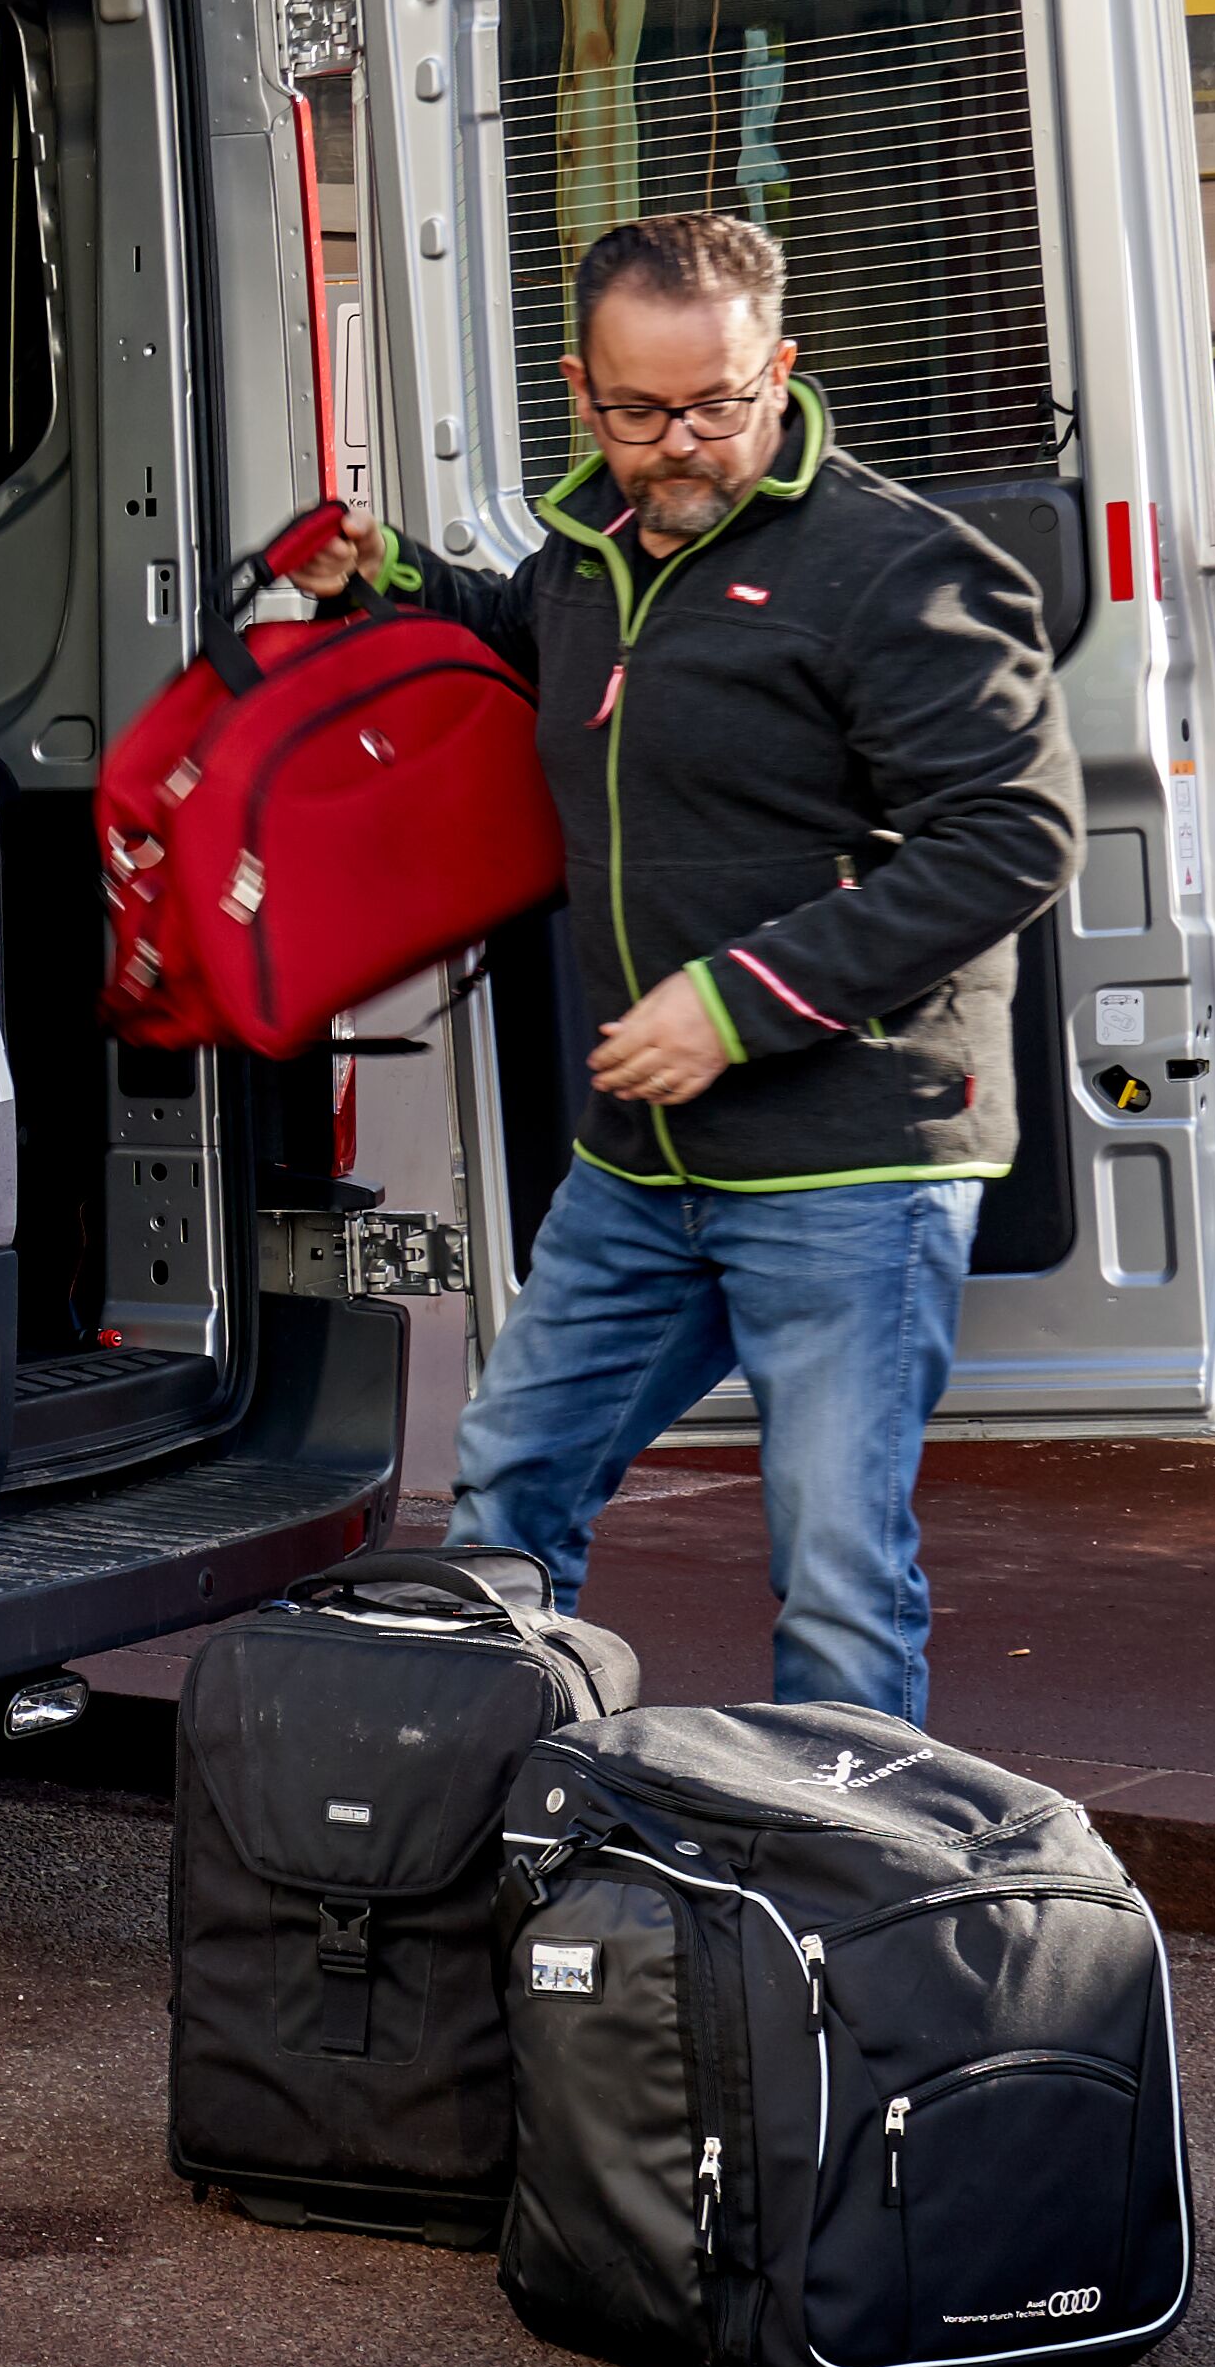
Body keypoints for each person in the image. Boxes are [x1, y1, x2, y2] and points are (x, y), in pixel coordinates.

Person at [274, 213, 1081, 1723]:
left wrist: (737, 999)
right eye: (641, 412)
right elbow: (529, 642)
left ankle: (841, 1902)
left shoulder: (896, 567)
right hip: (646, 1154)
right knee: (507, 1483)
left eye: (720, 402)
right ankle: (474, 1825)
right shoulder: (586, 557)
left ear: (777, 368)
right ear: (582, 392)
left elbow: (1012, 838)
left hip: (854, 1156)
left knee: (837, 1563)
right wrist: (391, 575)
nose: (684, 446)